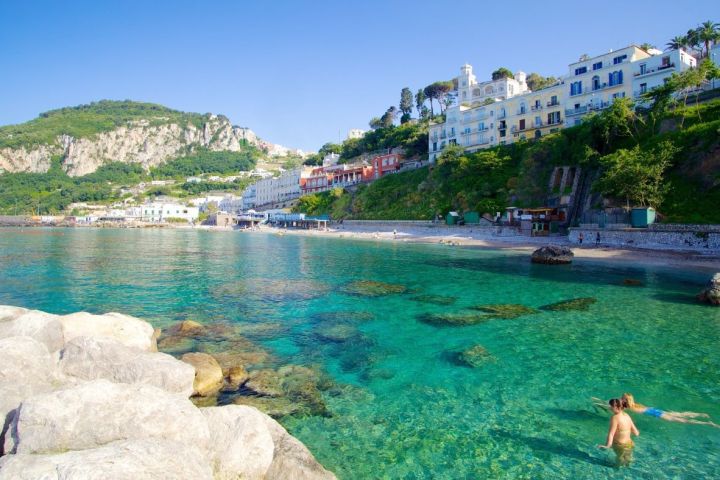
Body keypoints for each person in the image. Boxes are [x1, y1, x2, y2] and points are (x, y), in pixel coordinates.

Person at [622, 393, 719, 427]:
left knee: (682, 421)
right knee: (680, 414)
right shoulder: (636, 404)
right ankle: (701, 415)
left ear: (626, 400)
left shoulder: (627, 408)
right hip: (655, 410)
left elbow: (615, 409)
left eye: (622, 398)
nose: (621, 399)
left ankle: (707, 424)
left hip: (655, 414)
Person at [598, 398, 639, 467]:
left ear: (616, 407)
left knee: (619, 459)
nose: (610, 408)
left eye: (611, 406)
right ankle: (627, 467)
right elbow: (636, 432)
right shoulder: (627, 415)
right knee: (628, 458)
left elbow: (611, 434)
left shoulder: (615, 418)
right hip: (629, 444)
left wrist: (608, 445)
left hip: (619, 445)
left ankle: (617, 468)